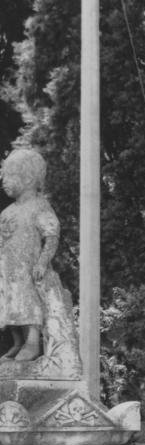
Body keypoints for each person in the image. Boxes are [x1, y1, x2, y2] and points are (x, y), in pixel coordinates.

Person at [0, 148, 59, 361]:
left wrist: (43, 262)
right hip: (8, 268)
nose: (3, 181)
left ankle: (33, 342)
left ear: (27, 178)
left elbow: (52, 234)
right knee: (9, 304)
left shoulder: (38, 206)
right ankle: (18, 342)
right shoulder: (7, 212)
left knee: (28, 302)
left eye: (9, 176)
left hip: (28, 267)